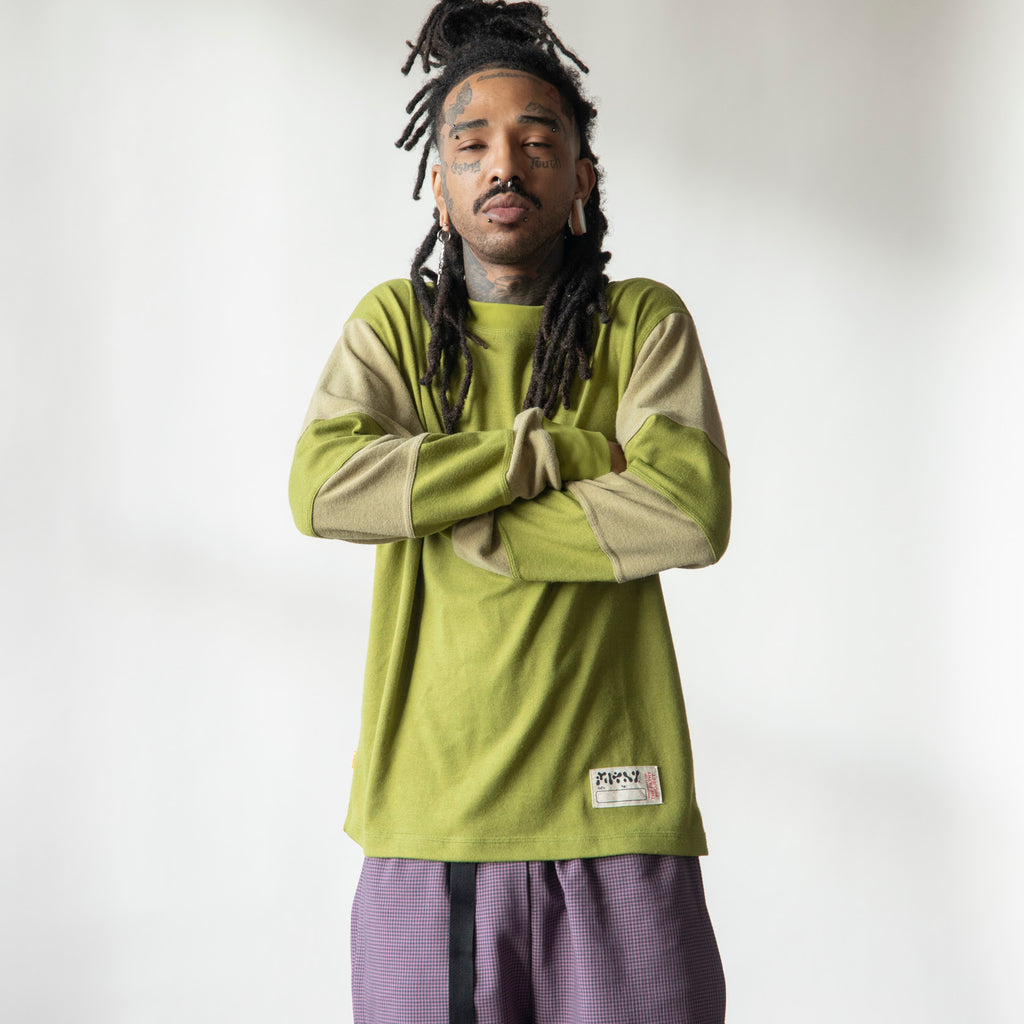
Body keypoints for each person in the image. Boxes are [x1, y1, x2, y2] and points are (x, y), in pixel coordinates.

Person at [288, 2, 731, 1021]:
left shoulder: (640, 323)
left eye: (538, 142)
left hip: (621, 817)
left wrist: (465, 518)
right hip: (428, 824)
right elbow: (322, 486)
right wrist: (555, 454)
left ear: (582, 181)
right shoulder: (397, 327)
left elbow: (687, 511)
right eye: (472, 144)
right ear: (439, 187)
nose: (504, 166)